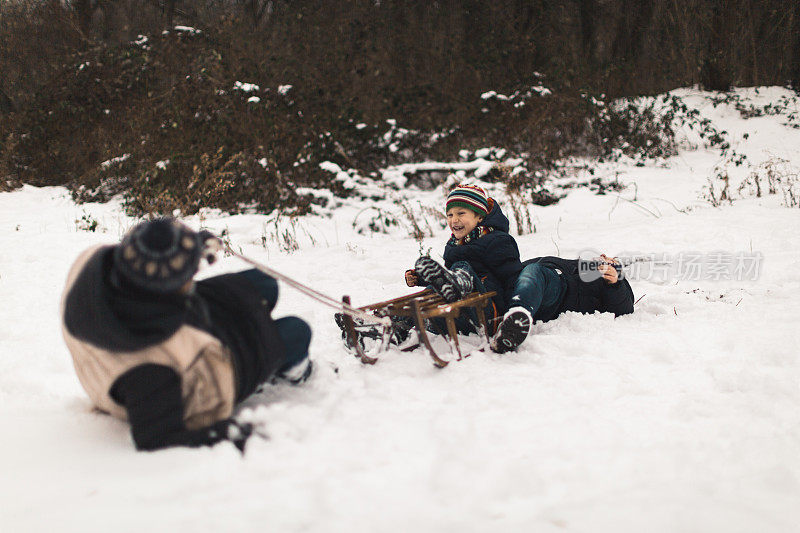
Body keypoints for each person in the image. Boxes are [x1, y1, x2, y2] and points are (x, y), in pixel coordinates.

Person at [61, 218, 312, 452]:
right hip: (205, 375)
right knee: (296, 331)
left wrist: (190, 247)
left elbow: (152, 256)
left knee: (265, 283)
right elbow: (156, 437)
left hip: (183, 319)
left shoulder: (93, 267)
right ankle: (292, 372)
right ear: (163, 288)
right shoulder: (149, 369)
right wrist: (236, 435)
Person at [405, 184, 635, 353]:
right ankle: (407, 323)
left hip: (555, 293)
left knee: (534, 271)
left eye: (609, 259)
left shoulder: (604, 279)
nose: (603, 257)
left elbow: (624, 307)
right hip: (513, 289)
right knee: (513, 276)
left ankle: (516, 318)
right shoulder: (576, 263)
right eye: (603, 256)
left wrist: (615, 282)